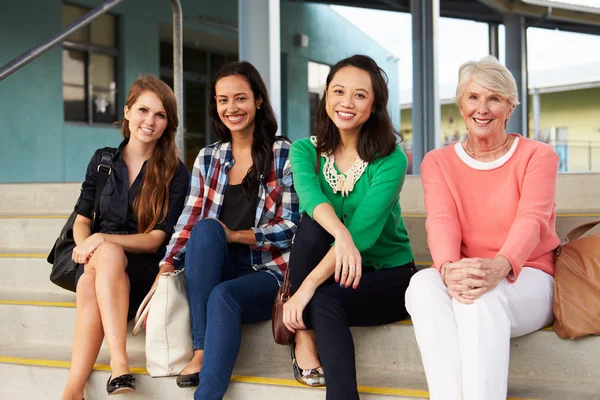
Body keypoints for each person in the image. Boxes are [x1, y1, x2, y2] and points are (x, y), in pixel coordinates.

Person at [405, 56, 560, 400]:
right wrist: (445, 268)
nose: (482, 108)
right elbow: (441, 220)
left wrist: (499, 266)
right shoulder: (438, 162)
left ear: (510, 106)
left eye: (495, 98)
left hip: (528, 275)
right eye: (473, 97)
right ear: (460, 104)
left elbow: (532, 219)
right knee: (422, 284)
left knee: (479, 300)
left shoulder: (538, 155)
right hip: (462, 273)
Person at [159, 61, 300, 400]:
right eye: (223, 100)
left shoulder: (285, 153)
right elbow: (189, 219)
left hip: (268, 272)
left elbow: (293, 227)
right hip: (217, 265)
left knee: (223, 295)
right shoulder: (209, 157)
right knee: (206, 230)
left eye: (240, 98)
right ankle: (201, 349)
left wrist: (236, 235)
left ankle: (205, 389)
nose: (231, 108)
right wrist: (167, 263)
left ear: (258, 101)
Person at [283, 55, 415, 400]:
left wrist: (305, 287)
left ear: (374, 106)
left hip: (387, 273)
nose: (346, 102)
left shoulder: (390, 158)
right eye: (339, 91)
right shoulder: (304, 150)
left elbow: (364, 234)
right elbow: (310, 197)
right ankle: (304, 338)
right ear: (326, 95)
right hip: (333, 267)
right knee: (313, 225)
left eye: (360, 95)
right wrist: (340, 234)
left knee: (323, 298)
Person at [61, 76, 190, 399]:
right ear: (128, 112)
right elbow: (81, 220)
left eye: (160, 115)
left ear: (167, 124)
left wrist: (101, 240)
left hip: (141, 271)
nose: (150, 120)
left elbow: (156, 239)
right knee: (98, 266)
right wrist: (85, 246)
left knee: (103, 260)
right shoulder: (103, 161)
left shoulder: (175, 171)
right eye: (144, 110)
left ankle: (79, 385)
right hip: (95, 264)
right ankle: (112, 371)